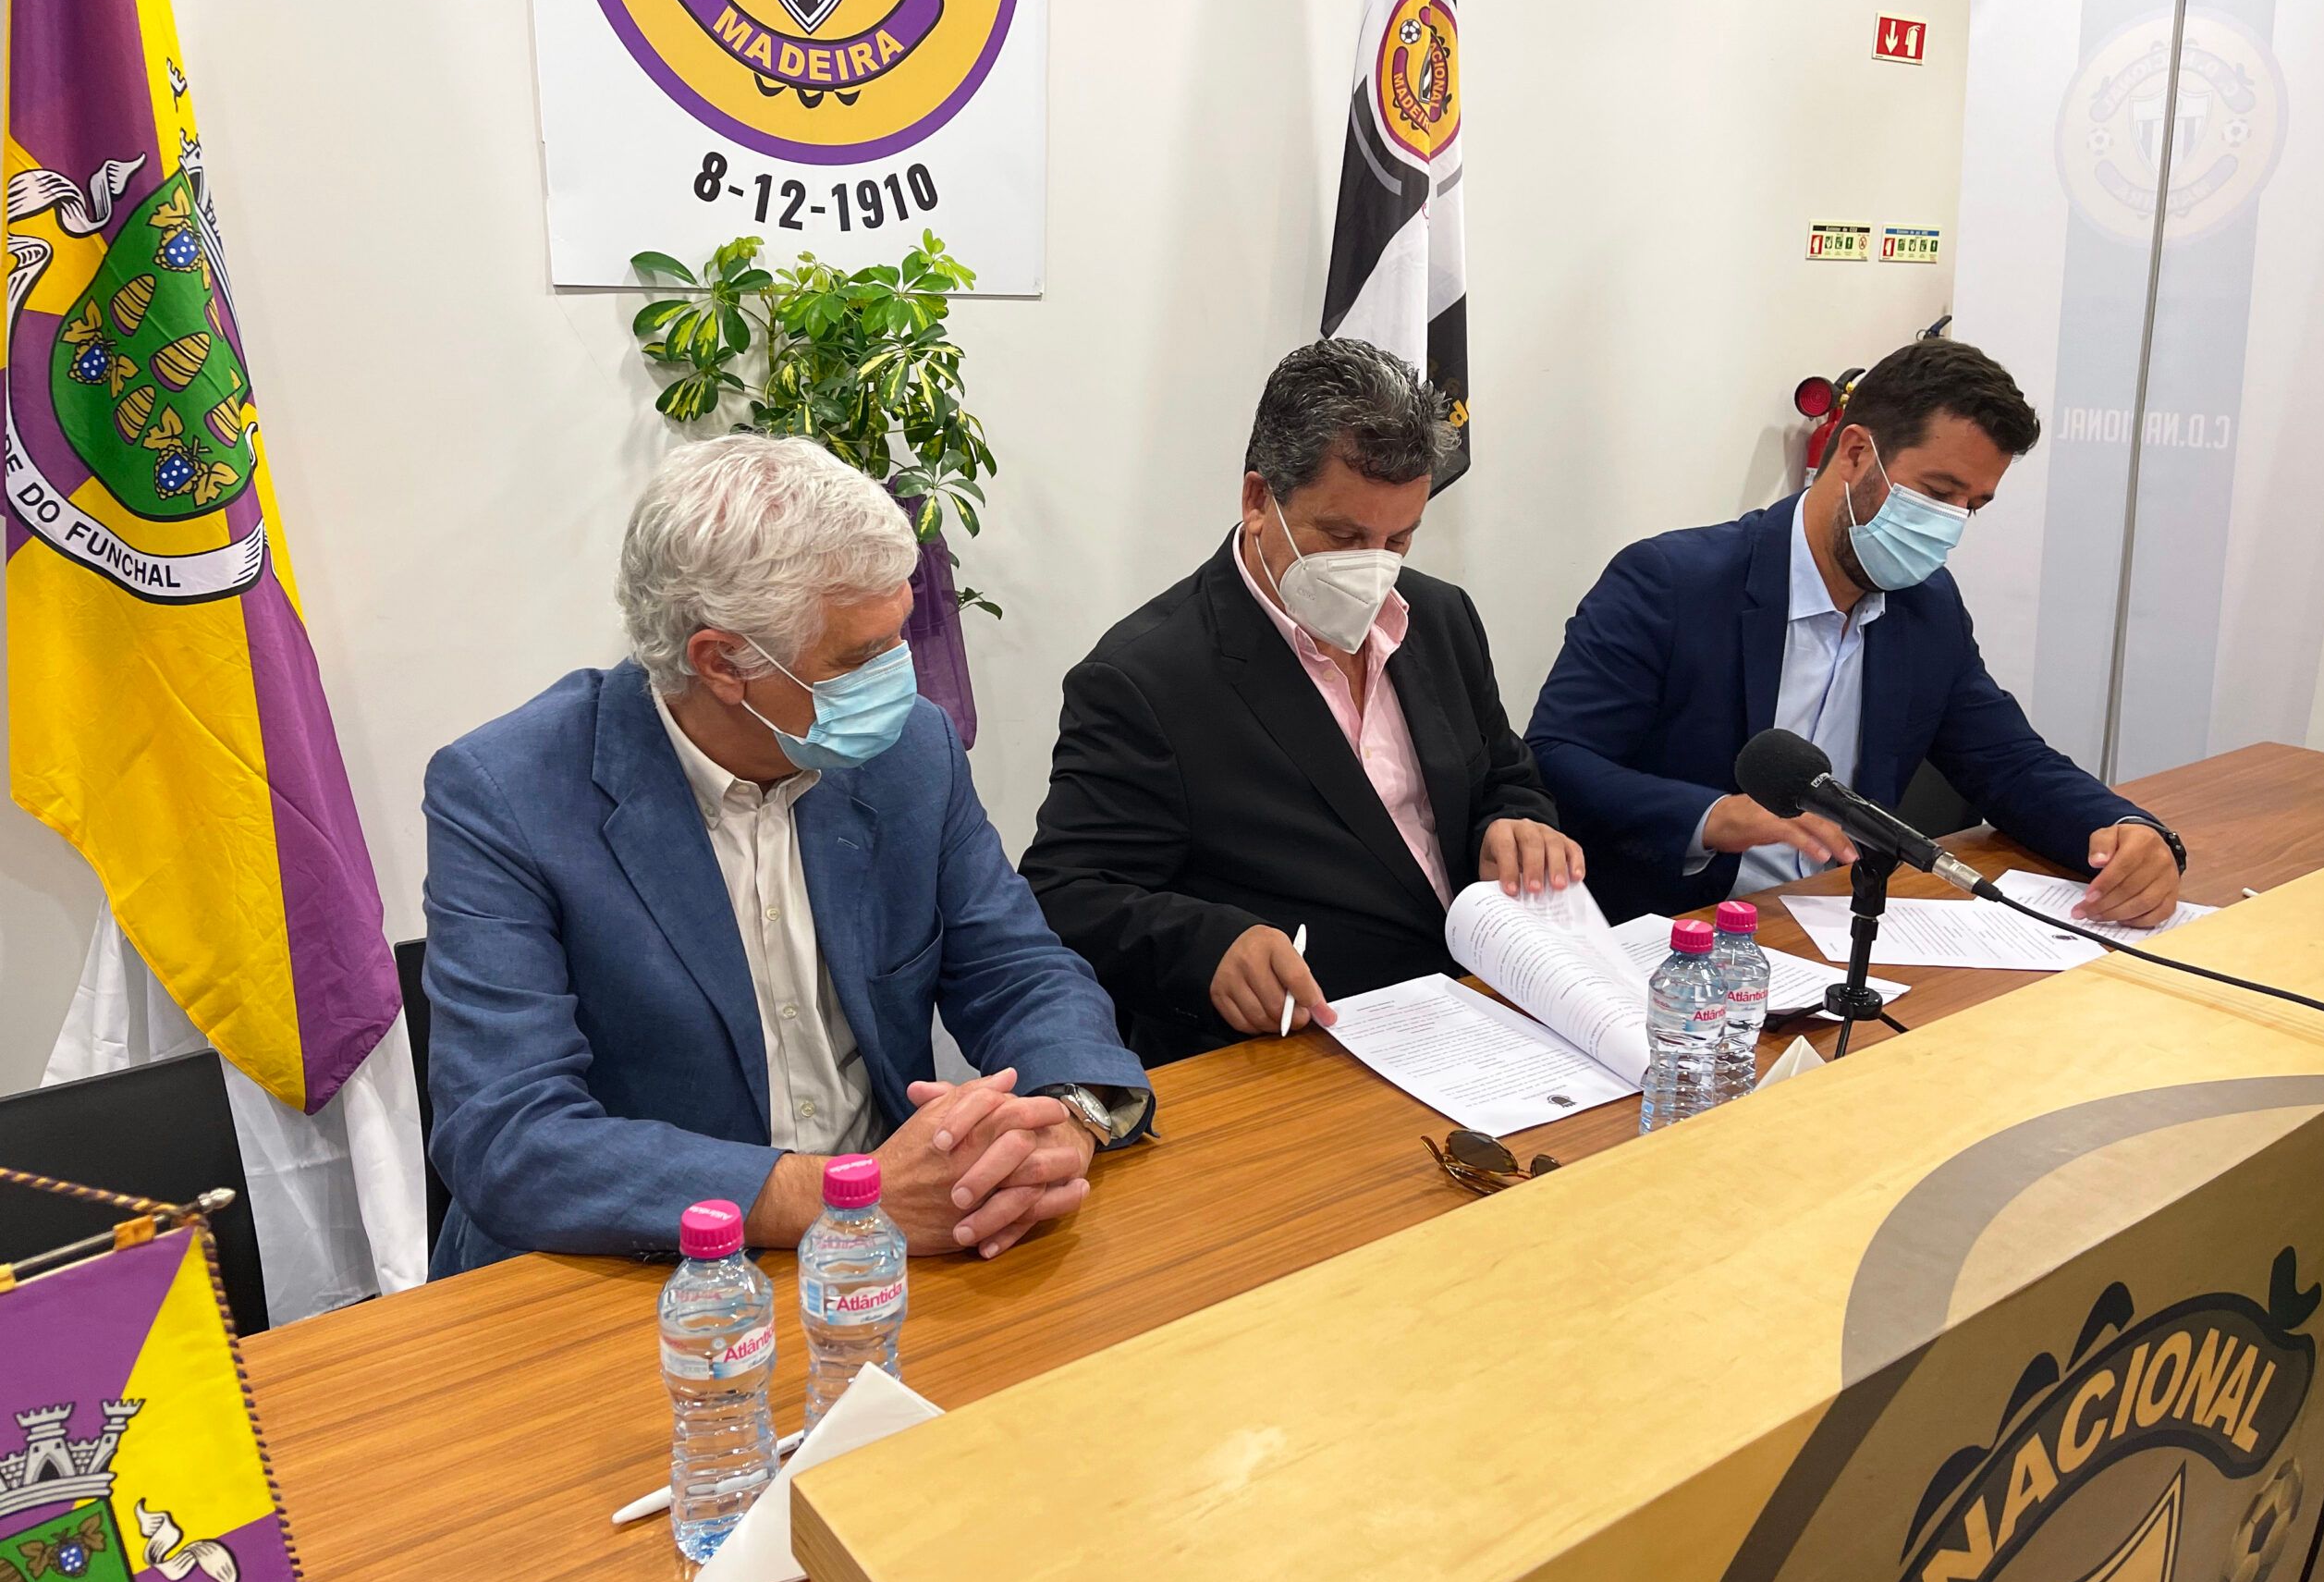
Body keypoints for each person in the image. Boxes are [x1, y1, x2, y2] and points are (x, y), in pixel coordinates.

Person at [422, 435, 1152, 1277]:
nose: (902, 676)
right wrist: (848, 1194)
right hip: (637, 1271)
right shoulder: (507, 794)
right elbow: (510, 1136)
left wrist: (1067, 1112)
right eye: (859, 658)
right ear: (721, 662)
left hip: (892, 1259)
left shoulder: (911, 751)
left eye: (901, 635)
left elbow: (1019, 969)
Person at [1021, 339, 1584, 1067]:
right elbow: (1066, 893)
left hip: (1479, 1014)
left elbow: (1504, 773)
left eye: (1398, 539)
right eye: (1344, 536)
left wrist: (1517, 821)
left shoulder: (1441, 618)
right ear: (1259, 501)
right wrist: (1210, 947)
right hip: (1301, 1053)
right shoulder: (1145, 679)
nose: (1373, 568)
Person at [1526, 337, 2187, 926]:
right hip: (1676, 929)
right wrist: (1712, 816)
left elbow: (2008, 762)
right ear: (1854, 453)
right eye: (1938, 492)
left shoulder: (1927, 608)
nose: (1952, 523)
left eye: (1973, 505)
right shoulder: (1672, 582)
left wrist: (2126, 829)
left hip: (1840, 921)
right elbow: (1556, 757)